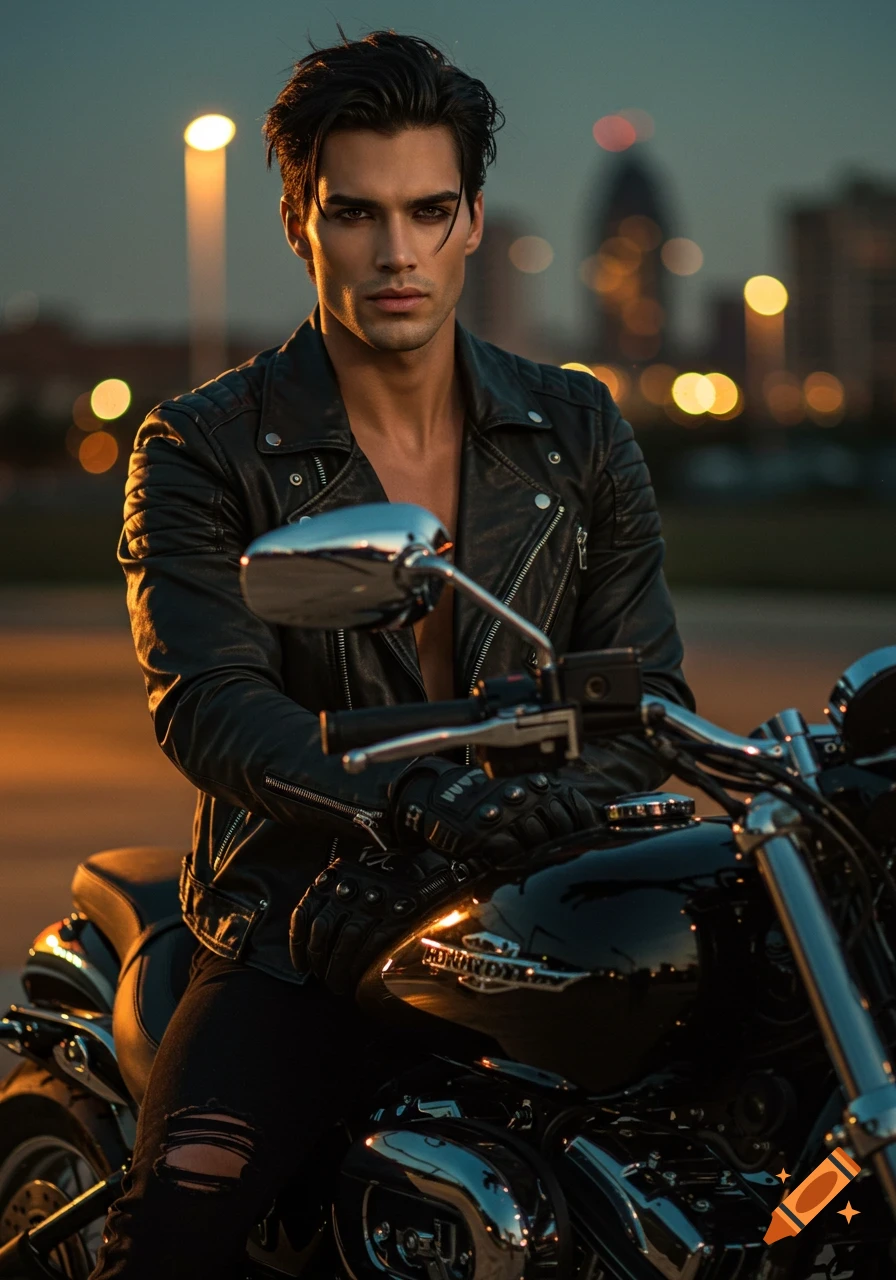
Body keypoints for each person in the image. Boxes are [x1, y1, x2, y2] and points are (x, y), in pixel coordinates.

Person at [90, 27, 695, 1279]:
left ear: (473, 218)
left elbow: (643, 693)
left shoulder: (575, 429)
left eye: (428, 210)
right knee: (185, 1215)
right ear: (297, 219)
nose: (396, 251)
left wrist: (542, 810)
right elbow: (214, 706)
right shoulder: (205, 447)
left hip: (528, 898)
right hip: (296, 917)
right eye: (356, 213)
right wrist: (417, 802)